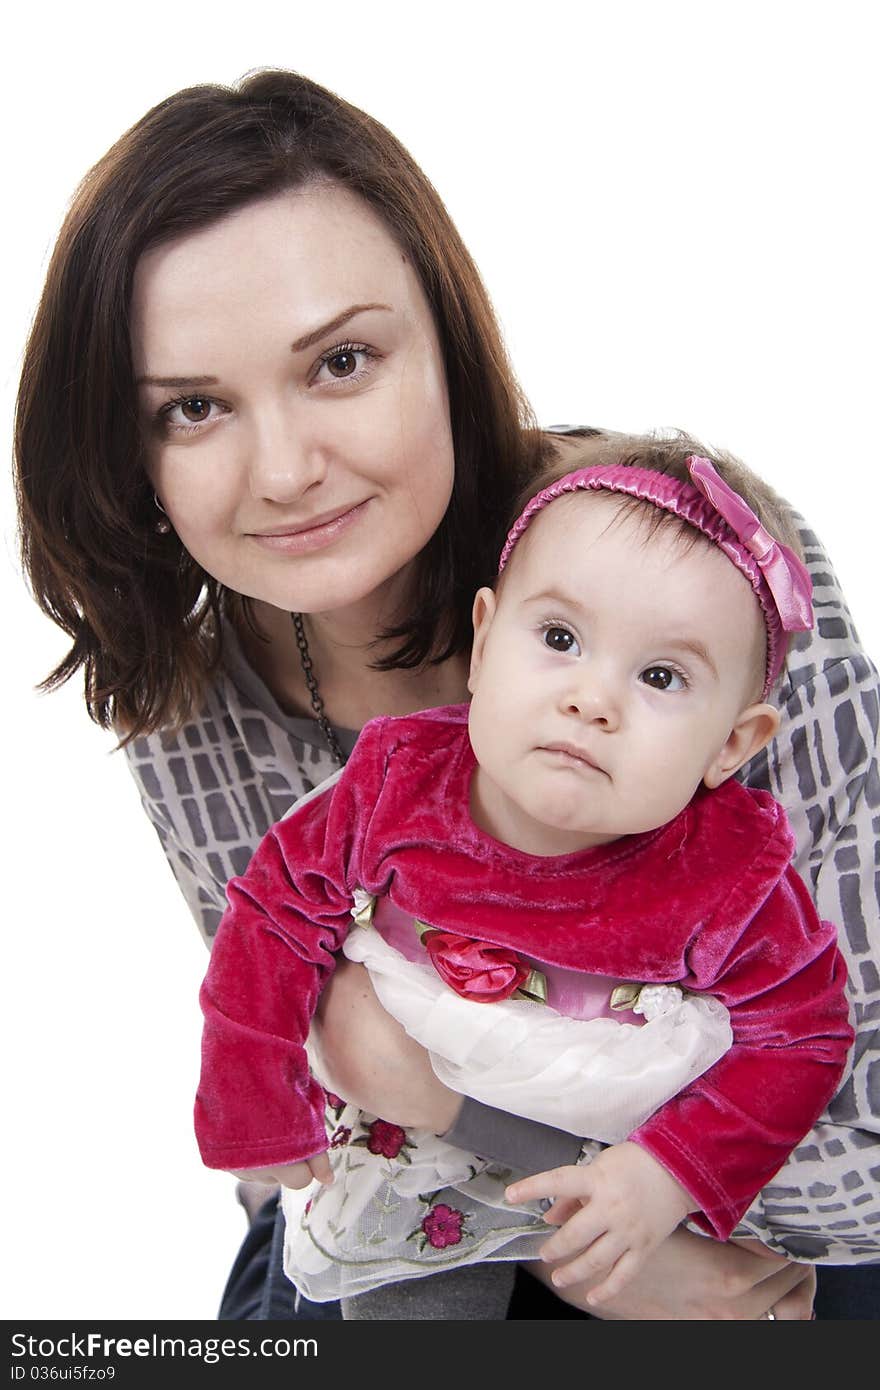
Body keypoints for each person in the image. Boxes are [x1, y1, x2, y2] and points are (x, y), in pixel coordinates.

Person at [13, 69, 878, 1321]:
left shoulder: (694, 574)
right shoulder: (191, 709)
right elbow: (311, 1096)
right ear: (132, 455)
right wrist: (502, 1174)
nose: (287, 470)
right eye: (195, 408)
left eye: (342, 361)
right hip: (429, 1217)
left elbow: (859, 1135)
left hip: (755, 1222)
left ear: (446, 345)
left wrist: (624, 1215)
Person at [194, 437, 853, 1317]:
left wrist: (665, 1176)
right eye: (560, 638)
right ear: (485, 635)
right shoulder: (398, 785)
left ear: (733, 744)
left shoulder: (729, 875)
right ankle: (271, 1220)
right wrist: (250, 1083)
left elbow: (803, 1036)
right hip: (407, 1134)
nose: (592, 698)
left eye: (660, 676)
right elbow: (272, 911)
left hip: (606, 1150)